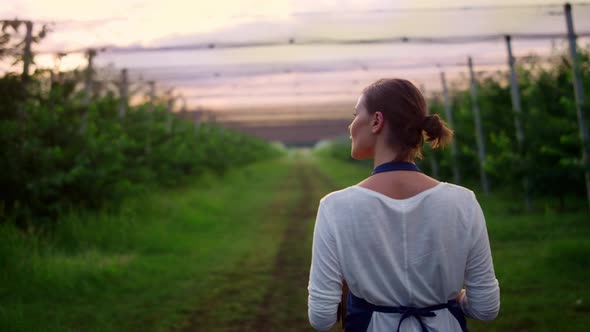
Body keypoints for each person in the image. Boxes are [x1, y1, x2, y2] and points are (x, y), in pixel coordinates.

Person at [307, 78, 500, 332]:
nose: (350, 125)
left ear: (376, 121)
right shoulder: (463, 202)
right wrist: (450, 300)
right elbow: (485, 308)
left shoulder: (336, 207)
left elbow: (322, 317)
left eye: (355, 115)